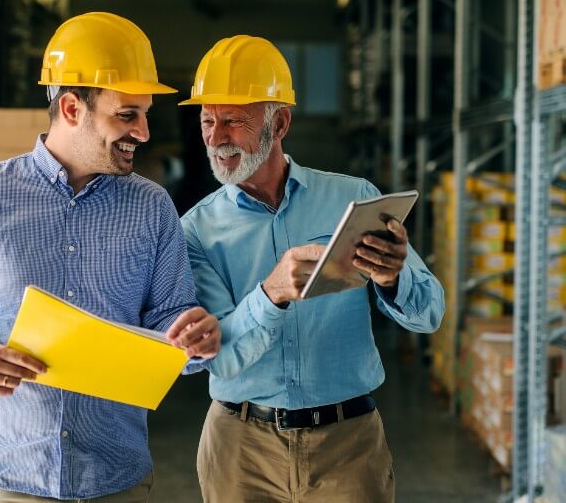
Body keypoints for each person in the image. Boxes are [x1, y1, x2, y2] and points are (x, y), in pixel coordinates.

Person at [0, 12, 221, 502]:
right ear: (72, 108)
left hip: (116, 476)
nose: (144, 133)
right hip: (9, 475)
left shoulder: (153, 207)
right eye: (127, 115)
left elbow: (168, 316)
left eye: (145, 114)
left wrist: (191, 336)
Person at [170, 35, 445, 502]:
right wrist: (272, 293)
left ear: (280, 124)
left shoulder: (352, 197)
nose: (216, 139)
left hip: (349, 444)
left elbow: (430, 314)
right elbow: (222, 355)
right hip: (241, 448)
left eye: (234, 122)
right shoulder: (195, 230)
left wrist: (393, 278)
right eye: (208, 121)